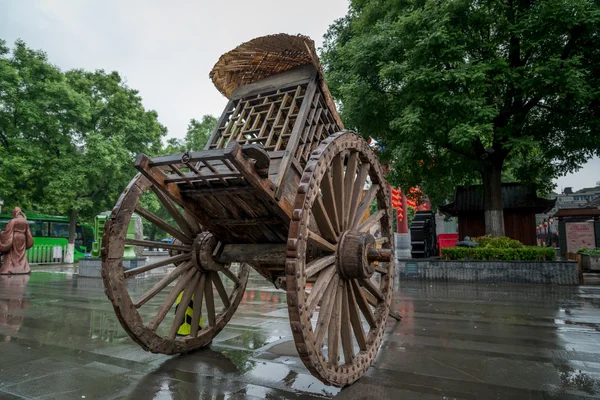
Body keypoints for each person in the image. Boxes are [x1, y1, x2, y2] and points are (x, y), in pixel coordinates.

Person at [0, 207, 34, 274]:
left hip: (14, 237)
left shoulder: (13, 221)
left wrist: (1, 233)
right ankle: (23, 269)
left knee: (12, 253)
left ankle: (10, 269)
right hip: (22, 238)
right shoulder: (25, 222)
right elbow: (28, 233)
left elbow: (8, 231)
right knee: (21, 254)